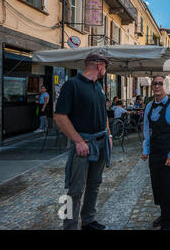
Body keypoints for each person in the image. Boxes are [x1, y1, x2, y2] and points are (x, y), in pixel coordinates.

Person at [54, 53, 112, 230]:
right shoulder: (72, 85)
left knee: (95, 184)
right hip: (84, 144)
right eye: (105, 67)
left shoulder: (99, 86)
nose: (105, 71)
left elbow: (104, 112)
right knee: (75, 189)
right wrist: (78, 141)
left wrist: (108, 135)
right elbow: (59, 116)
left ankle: (88, 220)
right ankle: (69, 226)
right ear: (99, 65)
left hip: (101, 141)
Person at [141, 76, 170, 230]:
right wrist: (145, 150)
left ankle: (167, 222)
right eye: (155, 84)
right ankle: (163, 214)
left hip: (168, 152)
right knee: (157, 185)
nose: (157, 86)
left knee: (169, 187)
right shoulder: (149, 106)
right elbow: (146, 130)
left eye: (160, 84)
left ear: (166, 86)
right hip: (154, 152)